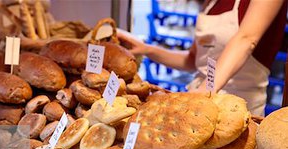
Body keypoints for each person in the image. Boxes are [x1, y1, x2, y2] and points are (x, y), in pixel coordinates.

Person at [119, 0, 287, 116]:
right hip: (198, 104)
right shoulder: (211, 3)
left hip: (240, 111)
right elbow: (193, 61)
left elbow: (246, 39)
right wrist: (147, 49)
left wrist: (205, 90)